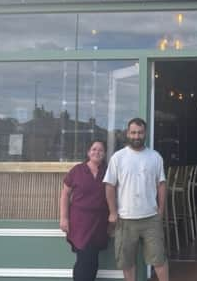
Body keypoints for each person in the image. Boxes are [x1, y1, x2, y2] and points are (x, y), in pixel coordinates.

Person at [104, 118, 169, 281]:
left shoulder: (155, 157)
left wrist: (161, 210)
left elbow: (161, 185)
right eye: (133, 132)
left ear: (145, 133)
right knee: (127, 262)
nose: (136, 136)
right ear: (127, 133)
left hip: (150, 218)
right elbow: (109, 186)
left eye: (140, 132)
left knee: (159, 259)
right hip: (125, 219)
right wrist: (112, 212)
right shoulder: (118, 158)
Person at [60, 140, 110, 281]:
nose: (97, 152)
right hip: (80, 222)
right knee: (84, 258)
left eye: (100, 150)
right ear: (88, 152)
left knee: (93, 259)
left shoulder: (108, 171)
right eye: (94, 149)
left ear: (104, 153)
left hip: (99, 222)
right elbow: (65, 194)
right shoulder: (77, 170)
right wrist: (64, 218)